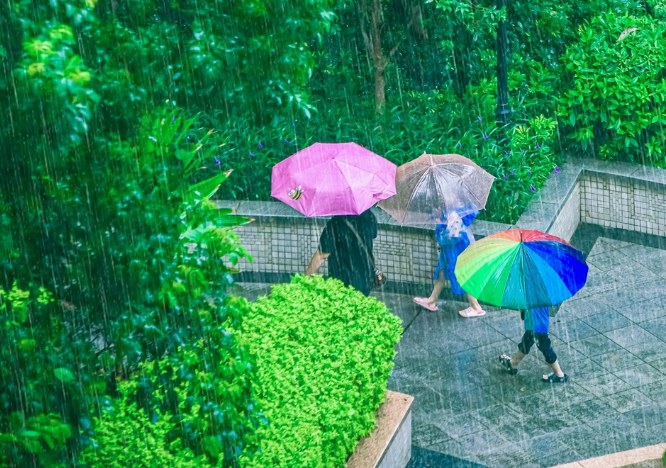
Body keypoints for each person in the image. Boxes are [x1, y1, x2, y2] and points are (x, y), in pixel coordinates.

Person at [413, 211, 486, 317]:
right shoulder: (454, 207)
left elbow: (450, 236)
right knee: (442, 272)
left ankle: (476, 307)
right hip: (452, 249)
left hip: (457, 249)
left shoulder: (457, 209)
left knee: (462, 274)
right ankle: (431, 301)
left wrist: (444, 222)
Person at [305, 209, 377, 296]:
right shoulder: (369, 216)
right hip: (365, 280)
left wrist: (305, 279)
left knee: (341, 307)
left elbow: (321, 256)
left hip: (341, 283)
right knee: (359, 307)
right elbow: (373, 234)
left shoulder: (335, 224)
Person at [499, 306, 568, 383]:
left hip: (537, 324)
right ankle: (513, 363)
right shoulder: (540, 296)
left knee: (544, 347)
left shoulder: (534, 296)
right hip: (535, 321)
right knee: (527, 341)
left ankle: (559, 374)